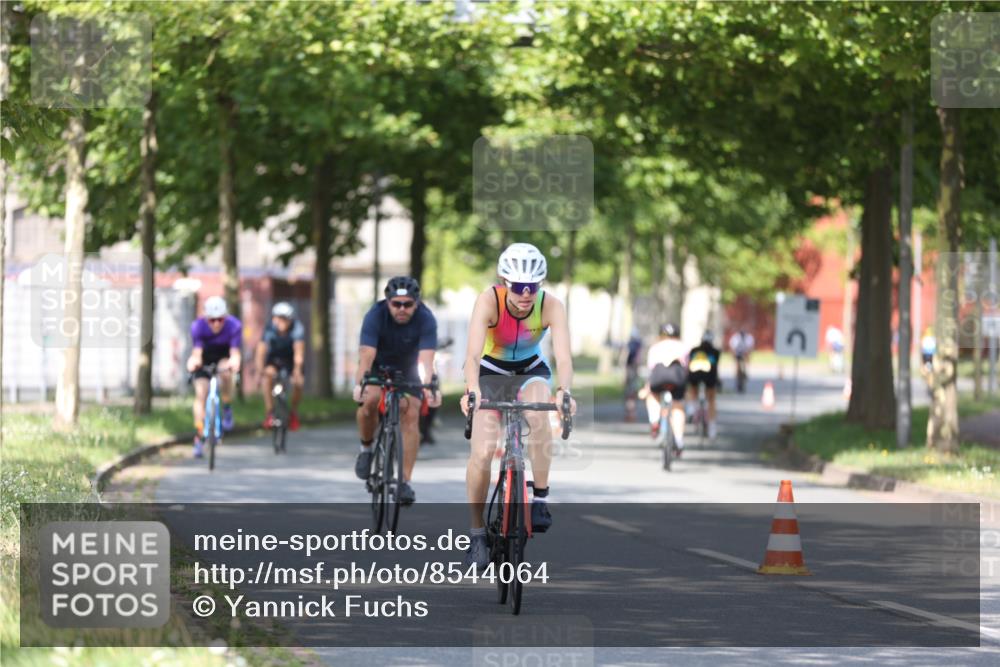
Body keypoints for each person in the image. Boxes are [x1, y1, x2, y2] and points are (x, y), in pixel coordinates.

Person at [460, 243, 576, 571]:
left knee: (540, 415)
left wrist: (564, 391)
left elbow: (564, 358)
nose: (526, 294)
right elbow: (472, 356)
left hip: (530, 371)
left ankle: (540, 498)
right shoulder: (489, 301)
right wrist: (472, 390)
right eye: (519, 286)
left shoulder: (551, 305)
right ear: (504, 282)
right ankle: (477, 533)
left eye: (533, 287)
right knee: (483, 451)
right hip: (491, 373)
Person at [353, 277, 441, 506]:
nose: (402, 309)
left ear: (416, 303)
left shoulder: (426, 318)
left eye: (408, 304)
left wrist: (430, 387)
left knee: (411, 413)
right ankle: (366, 448)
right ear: (388, 302)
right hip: (378, 366)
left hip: (409, 369)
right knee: (370, 401)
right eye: (396, 304)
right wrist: (360, 384)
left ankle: (404, 482)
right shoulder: (375, 315)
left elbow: (427, 360)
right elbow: (366, 355)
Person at [186, 296, 242, 458]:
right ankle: (199, 435)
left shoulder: (234, 326)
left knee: (226, 374)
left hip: (223, 358)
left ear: (225, 317)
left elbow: (234, 352)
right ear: (206, 318)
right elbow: (197, 352)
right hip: (205, 359)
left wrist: (235, 362)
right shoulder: (197, 326)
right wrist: (193, 361)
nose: (216, 323)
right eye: (212, 320)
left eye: (220, 319)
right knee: (201, 394)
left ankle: (227, 406)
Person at [255, 301, 305, 431]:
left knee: (299, 382)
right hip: (274, 359)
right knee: (267, 377)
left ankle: (293, 412)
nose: (281, 322)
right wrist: (259, 372)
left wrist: (297, 370)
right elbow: (261, 351)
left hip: (290, 360)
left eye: (284, 319)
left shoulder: (297, 328)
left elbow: (298, 353)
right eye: (278, 318)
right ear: (274, 319)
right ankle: (270, 413)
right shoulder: (269, 328)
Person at [640, 323, 688, 454]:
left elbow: (651, 370)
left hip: (659, 376)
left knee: (652, 395)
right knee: (678, 407)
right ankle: (679, 440)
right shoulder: (683, 347)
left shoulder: (655, 348)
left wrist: (647, 387)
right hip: (677, 378)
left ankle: (654, 420)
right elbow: (686, 368)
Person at [687, 330, 721, 440]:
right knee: (711, 400)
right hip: (710, 377)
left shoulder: (694, 350)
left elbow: (689, 366)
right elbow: (716, 367)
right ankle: (712, 427)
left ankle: (692, 408)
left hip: (695, 376)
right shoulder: (715, 352)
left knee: (692, 389)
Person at [623, 328, 643, 422]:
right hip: (635, 369)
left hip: (630, 369)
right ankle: (632, 414)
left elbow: (625, 357)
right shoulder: (639, 344)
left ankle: (630, 414)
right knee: (633, 393)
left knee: (629, 393)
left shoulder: (630, 344)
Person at [728, 328, 755, 392]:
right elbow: (732, 348)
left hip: (745, 353)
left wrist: (748, 355)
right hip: (737, 353)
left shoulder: (749, 338)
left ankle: (744, 373)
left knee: (745, 363)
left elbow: (750, 348)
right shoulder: (735, 338)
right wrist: (733, 355)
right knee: (737, 365)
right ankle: (737, 375)